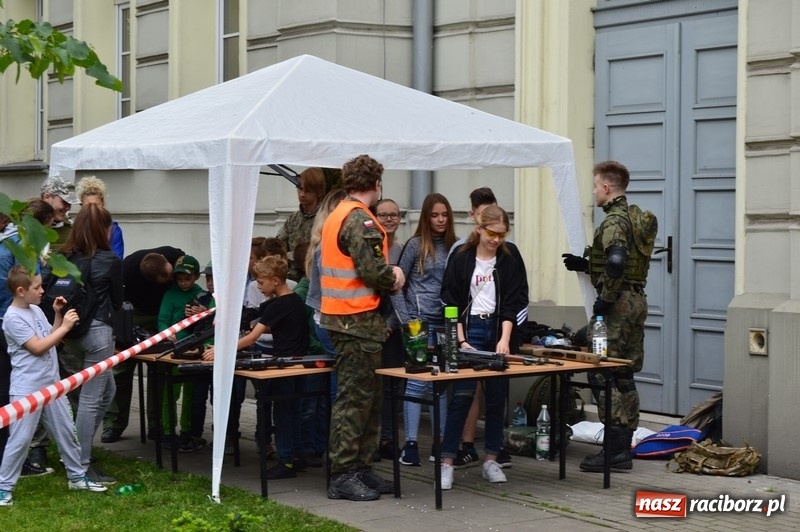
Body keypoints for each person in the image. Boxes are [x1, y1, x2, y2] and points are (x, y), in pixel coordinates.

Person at [320, 154, 404, 501]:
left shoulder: (336, 214)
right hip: (355, 320)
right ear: (377, 184)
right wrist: (395, 276)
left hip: (348, 319)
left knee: (365, 399)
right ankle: (343, 473)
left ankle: (360, 468)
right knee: (355, 400)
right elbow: (372, 271)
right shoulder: (360, 220)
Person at [562, 160, 652, 472]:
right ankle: (623, 449)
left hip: (617, 309)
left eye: (595, 185)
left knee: (602, 372)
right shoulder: (633, 217)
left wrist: (605, 300)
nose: (593, 192)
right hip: (636, 301)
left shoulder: (614, 221)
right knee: (624, 372)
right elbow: (621, 264)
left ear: (606, 187)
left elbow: (615, 262)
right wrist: (584, 264)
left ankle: (613, 451)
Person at [0, 265, 108, 506]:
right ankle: (3, 488)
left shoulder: (36, 310)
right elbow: (38, 347)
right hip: (27, 389)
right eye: (37, 287)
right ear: (20, 291)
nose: (42, 290)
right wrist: (67, 327)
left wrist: (58, 315)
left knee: (67, 432)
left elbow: (50, 337)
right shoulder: (12, 318)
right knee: (20, 440)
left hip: (52, 385)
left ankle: (77, 477)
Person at [438, 205, 529, 490]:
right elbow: (449, 302)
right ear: (479, 228)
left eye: (502, 234)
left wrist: (504, 339)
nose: (496, 240)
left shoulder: (511, 258)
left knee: (496, 397)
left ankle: (492, 459)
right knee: (462, 396)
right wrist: (462, 340)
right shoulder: (462, 258)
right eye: (491, 233)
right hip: (470, 328)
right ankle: (447, 463)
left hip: (497, 329)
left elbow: (514, 302)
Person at [202, 255, 309, 480]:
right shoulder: (295, 301)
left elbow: (251, 339)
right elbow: (283, 328)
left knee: (282, 414)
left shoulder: (278, 305)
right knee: (294, 412)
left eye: (261, 282)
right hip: (301, 363)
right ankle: (297, 456)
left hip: (283, 366)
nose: (258, 287)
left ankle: (286, 460)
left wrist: (222, 350)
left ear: (276, 281)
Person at [59, 204, 124, 485]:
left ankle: (74, 450)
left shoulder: (64, 256)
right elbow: (119, 301)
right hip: (98, 332)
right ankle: (80, 466)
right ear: (104, 229)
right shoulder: (110, 259)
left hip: (69, 331)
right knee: (91, 399)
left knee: (107, 390)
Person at [394, 193, 456, 466]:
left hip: (446, 324)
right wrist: (406, 320)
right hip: (418, 323)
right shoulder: (416, 245)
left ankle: (440, 442)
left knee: (441, 385)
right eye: (435, 215)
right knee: (417, 383)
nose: (440, 220)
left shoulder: (457, 246)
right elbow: (394, 283)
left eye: (444, 214)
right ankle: (410, 445)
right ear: (426, 217)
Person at [102, 245, 184, 443]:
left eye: (171, 275)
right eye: (166, 280)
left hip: (162, 316)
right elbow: (115, 298)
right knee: (121, 368)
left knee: (161, 369)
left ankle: (158, 426)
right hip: (135, 315)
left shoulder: (175, 255)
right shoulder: (127, 269)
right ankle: (113, 423)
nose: (172, 281)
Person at [157, 255, 205, 450]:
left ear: (195, 277)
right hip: (173, 350)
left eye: (187, 278)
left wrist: (202, 312)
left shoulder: (201, 295)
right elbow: (162, 319)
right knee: (170, 393)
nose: (183, 283)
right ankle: (168, 432)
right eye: (180, 279)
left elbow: (209, 321)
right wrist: (167, 334)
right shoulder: (170, 294)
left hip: (193, 350)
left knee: (191, 394)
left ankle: (187, 430)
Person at [371, 198, 404, 461]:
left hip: (395, 329)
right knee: (372, 387)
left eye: (394, 215)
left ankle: (390, 439)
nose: (390, 219)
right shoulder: (370, 249)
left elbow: (403, 293)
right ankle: (371, 440)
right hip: (370, 327)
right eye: (384, 215)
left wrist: (391, 324)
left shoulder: (403, 251)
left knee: (394, 388)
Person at [277, 167, 325, 282]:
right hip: (289, 279)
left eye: (308, 191)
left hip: (313, 281)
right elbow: (277, 245)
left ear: (318, 192)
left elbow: (316, 254)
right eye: (300, 189)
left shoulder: (325, 219)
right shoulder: (293, 219)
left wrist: (289, 256)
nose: (302, 194)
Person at [75, 175, 125, 259]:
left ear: (103, 204)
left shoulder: (113, 230)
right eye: (88, 206)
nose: (93, 209)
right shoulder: (75, 229)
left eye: (96, 205)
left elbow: (117, 259)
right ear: (81, 206)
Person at [40, 175, 79, 252]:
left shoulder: (73, 231)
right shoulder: (24, 227)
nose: (68, 208)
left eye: (70, 203)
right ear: (47, 197)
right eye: (64, 202)